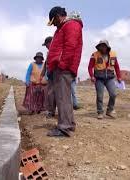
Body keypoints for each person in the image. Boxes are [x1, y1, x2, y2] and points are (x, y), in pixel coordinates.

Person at [46, 6, 83, 137]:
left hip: (63, 68)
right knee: (64, 97)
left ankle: (64, 127)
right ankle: (69, 124)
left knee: (62, 98)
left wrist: (62, 65)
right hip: (62, 67)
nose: (54, 25)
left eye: (53, 21)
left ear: (57, 16)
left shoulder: (70, 25)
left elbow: (70, 46)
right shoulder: (64, 26)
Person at [88, 40, 121, 119]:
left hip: (110, 78)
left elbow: (116, 67)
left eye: (104, 46)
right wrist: (92, 76)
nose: (102, 47)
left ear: (107, 47)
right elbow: (90, 67)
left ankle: (110, 110)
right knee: (100, 96)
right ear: (99, 47)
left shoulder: (113, 54)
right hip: (99, 79)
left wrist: (119, 77)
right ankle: (100, 112)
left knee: (113, 94)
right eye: (101, 46)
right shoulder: (94, 55)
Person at [40, 36, 56, 118]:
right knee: (50, 94)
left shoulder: (58, 49)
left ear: (50, 43)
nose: (46, 46)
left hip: (58, 75)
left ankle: (61, 113)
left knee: (59, 94)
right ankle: (51, 111)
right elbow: (46, 64)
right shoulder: (48, 53)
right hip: (51, 76)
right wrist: (42, 74)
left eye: (46, 44)